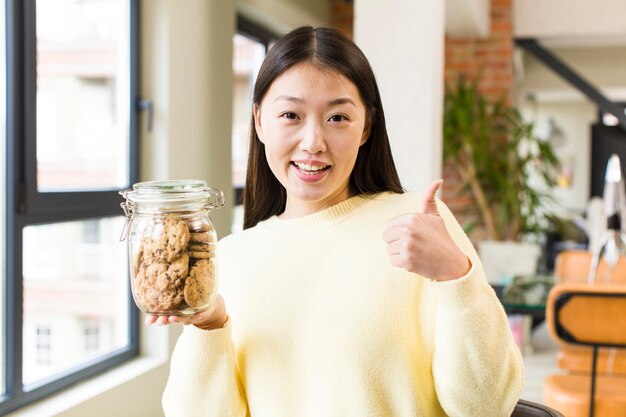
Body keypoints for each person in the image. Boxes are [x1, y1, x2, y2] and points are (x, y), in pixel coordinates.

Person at [154, 26, 524, 416]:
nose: (313, 141)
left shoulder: (419, 226)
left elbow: (488, 407)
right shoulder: (229, 257)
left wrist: (456, 276)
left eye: (337, 117)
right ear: (260, 122)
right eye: (290, 114)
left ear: (366, 126)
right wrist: (209, 327)